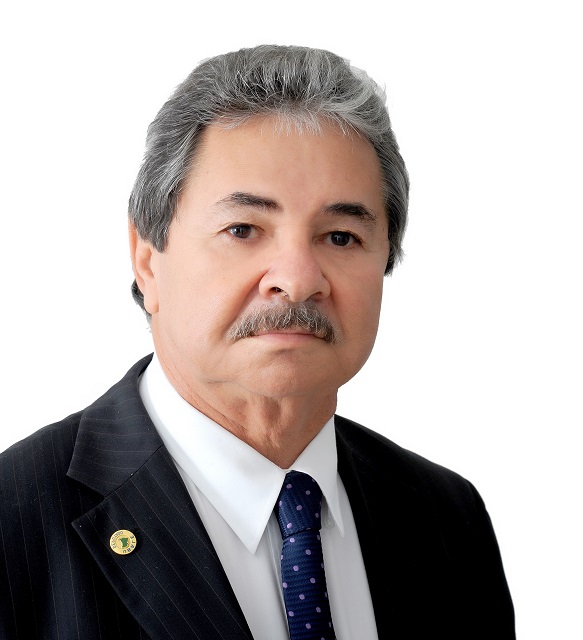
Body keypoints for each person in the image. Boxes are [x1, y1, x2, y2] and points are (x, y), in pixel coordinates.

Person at [0, 45, 514, 639]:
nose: (297, 279)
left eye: (340, 237)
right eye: (243, 229)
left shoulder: (445, 518)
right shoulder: (14, 525)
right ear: (146, 259)